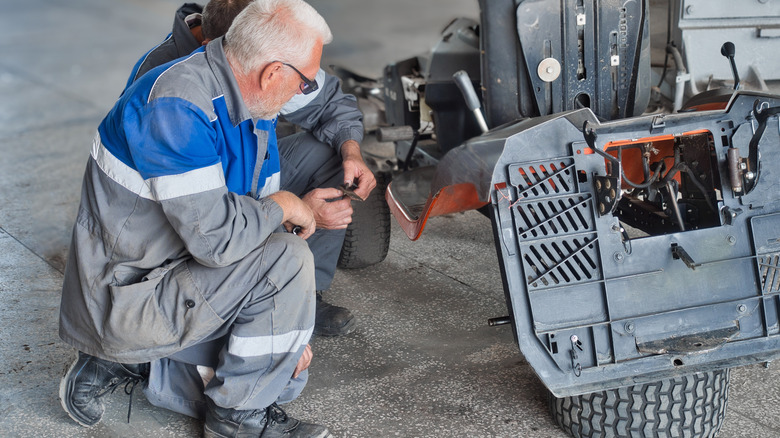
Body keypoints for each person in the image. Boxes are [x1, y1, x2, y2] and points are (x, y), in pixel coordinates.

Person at [58, 1, 367, 435]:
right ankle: (229, 415)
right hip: (131, 294)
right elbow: (218, 240)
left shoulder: (246, 96)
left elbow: (239, 215)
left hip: (182, 260)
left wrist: (288, 320)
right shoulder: (175, 106)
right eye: (303, 82)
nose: (304, 92)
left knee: (285, 371)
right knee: (287, 268)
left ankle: (146, 364)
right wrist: (285, 206)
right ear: (272, 73)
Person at [126, 0, 373, 338]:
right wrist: (294, 211)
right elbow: (206, 223)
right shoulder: (171, 93)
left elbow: (330, 104)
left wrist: (352, 151)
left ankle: (300, 293)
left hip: (245, 187)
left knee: (329, 152)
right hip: (187, 218)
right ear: (226, 50)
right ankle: (248, 297)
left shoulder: (265, 57)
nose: (297, 89)